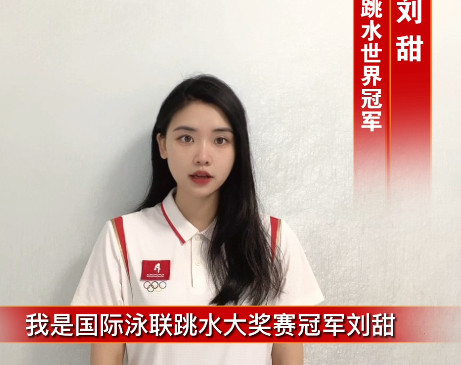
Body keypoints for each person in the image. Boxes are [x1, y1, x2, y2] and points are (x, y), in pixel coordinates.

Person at [71, 75, 324, 365]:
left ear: (238, 149)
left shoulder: (274, 238)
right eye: (186, 138)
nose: (202, 156)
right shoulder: (121, 238)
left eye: (220, 140)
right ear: (163, 145)